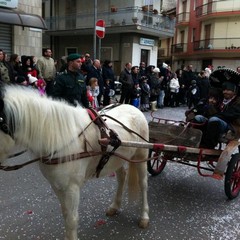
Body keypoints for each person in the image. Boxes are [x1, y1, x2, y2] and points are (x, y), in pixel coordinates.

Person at [201, 81, 240, 149]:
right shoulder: (220, 99)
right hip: (217, 119)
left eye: (228, 90)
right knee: (199, 118)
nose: (225, 92)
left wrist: (214, 116)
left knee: (214, 120)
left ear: (234, 91)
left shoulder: (238, 101)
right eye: (224, 90)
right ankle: (197, 141)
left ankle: (209, 145)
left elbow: (230, 115)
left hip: (231, 126)